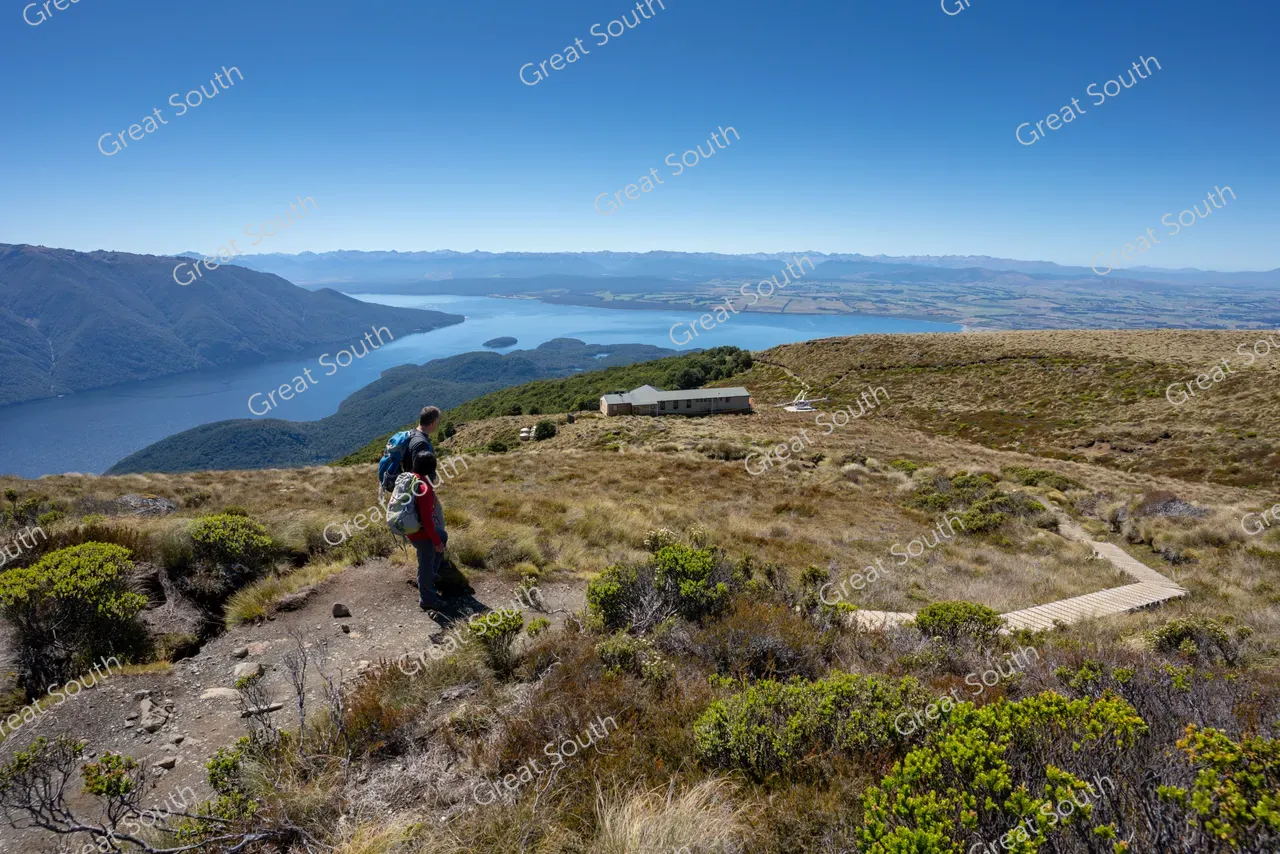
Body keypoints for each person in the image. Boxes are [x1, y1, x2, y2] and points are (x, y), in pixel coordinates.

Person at [406, 450, 448, 612]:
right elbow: (427, 521)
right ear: (432, 468)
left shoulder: (412, 478)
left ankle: (431, 574)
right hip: (421, 532)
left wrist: (439, 539)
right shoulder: (423, 487)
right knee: (425, 562)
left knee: (444, 536)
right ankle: (427, 599)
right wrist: (436, 543)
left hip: (413, 528)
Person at [406, 406, 440, 474]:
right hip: (420, 483)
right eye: (438, 422)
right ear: (433, 423)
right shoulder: (421, 443)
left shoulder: (412, 433)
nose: (438, 424)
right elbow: (419, 473)